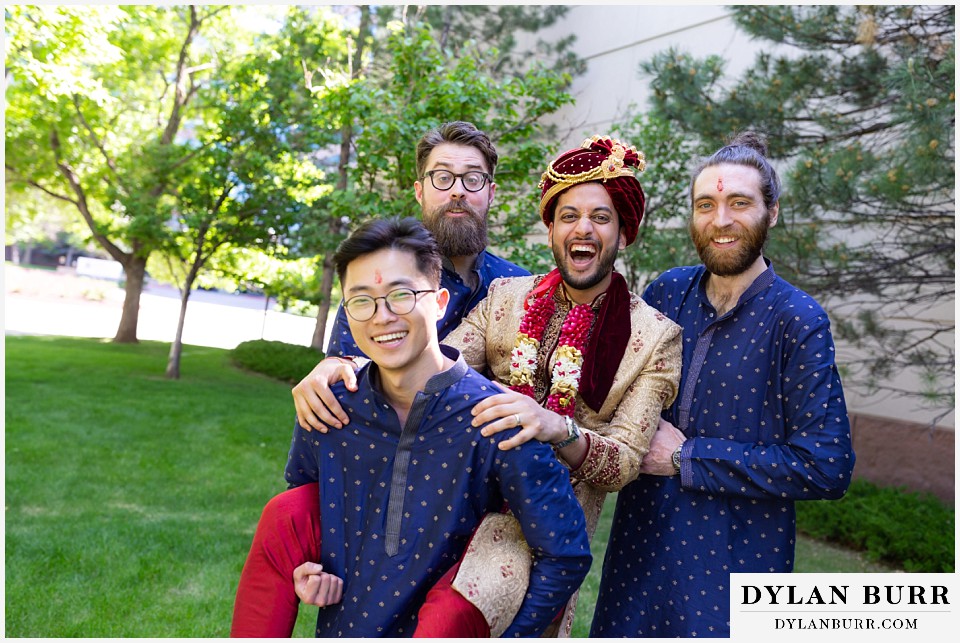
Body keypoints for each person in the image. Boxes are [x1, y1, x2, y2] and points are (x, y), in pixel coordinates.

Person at [294, 136, 684, 636]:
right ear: (551, 230)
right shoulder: (505, 298)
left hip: (535, 541)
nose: (582, 228)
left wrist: (555, 428)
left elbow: (626, 462)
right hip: (448, 501)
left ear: (623, 234)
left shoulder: (655, 338)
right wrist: (342, 364)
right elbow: (432, 365)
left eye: (601, 218)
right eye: (568, 216)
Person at [232, 217, 591, 637]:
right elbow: (303, 511)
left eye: (401, 295)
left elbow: (565, 552)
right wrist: (307, 570)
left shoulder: (498, 418)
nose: (382, 317)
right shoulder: (329, 406)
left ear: (439, 302)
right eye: (361, 301)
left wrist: (514, 633)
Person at [589, 132, 856, 638]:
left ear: (771, 213)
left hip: (733, 574)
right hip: (637, 561)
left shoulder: (797, 320)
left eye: (740, 203)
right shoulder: (667, 291)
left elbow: (828, 465)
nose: (721, 219)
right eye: (705, 204)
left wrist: (688, 458)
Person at [313, 120, 528, 389]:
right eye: (442, 177)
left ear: (491, 193)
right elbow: (344, 374)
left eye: (473, 179)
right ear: (419, 191)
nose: (458, 190)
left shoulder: (521, 287)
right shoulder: (376, 280)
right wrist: (334, 365)